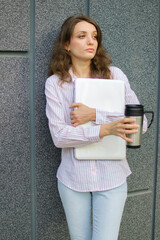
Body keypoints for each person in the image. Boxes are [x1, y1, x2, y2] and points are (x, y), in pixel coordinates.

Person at [45, 15, 147, 240]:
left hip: (112, 177)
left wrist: (95, 114)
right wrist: (104, 130)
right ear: (66, 44)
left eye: (94, 36)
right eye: (82, 36)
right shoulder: (55, 84)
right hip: (73, 178)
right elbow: (60, 137)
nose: (91, 41)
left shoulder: (115, 76)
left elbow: (142, 124)